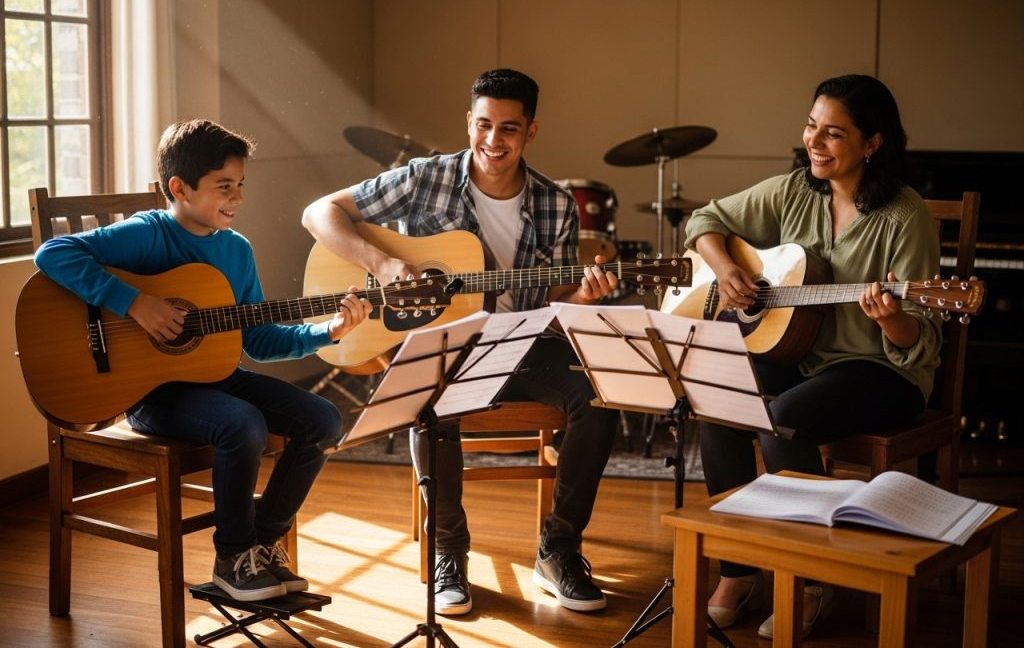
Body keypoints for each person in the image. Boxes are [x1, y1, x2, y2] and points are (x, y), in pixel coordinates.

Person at [302, 68, 621, 615]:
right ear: (468, 121)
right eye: (484, 125)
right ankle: (450, 551)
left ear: (531, 132)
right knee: (429, 398)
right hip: (444, 341)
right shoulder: (424, 178)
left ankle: (559, 550)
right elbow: (319, 213)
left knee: (598, 395)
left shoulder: (556, 204)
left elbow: (553, 300)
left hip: (521, 339)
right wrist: (382, 263)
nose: (493, 142)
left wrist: (586, 298)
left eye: (509, 130)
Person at [34, 119, 371, 602]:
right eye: (224, 187)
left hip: (217, 378)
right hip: (149, 394)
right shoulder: (147, 235)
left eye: (240, 186)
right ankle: (232, 559)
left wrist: (328, 332)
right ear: (180, 188)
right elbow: (53, 252)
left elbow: (258, 340)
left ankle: (262, 541)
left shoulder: (236, 251)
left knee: (324, 419)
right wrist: (134, 303)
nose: (236, 198)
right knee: (243, 424)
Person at [684, 74, 942, 639]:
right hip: (804, 355)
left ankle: (809, 580)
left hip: (881, 369)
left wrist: (891, 315)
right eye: (810, 127)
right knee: (717, 397)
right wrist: (727, 270)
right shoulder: (796, 190)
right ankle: (738, 569)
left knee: (782, 422)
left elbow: (916, 339)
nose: (814, 144)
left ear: (872, 144)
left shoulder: (905, 215)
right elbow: (702, 220)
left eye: (833, 135)